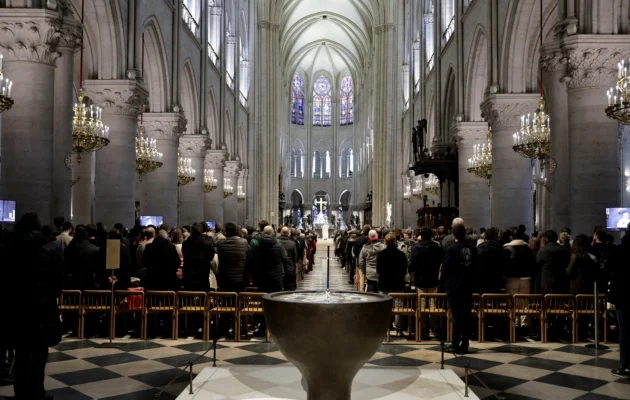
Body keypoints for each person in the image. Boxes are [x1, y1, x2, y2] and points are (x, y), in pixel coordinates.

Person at [1, 213, 62, 400]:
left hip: (16, 307)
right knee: (38, 354)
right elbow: (57, 282)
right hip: (41, 309)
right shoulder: (50, 248)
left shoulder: (7, 247)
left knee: (20, 353)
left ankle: (20, 392)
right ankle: (37, 392)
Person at [441, 224, 477, 354]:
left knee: (456, 316)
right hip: (468, 286)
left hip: (454, 286)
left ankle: (455, 344)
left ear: (454, 235)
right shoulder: (473, 249)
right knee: (466, 315)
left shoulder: (451, 249)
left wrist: (444, 283)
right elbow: (476, 267)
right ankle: (465, 343)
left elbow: (445, 268)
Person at [503, 231, 536, 328]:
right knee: (524, 302)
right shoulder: (528, 249)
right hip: (526, 278)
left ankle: (513, 323)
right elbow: (532, 264)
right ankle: (524, 323)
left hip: (511, 278)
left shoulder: (507, 248)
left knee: (512, 301)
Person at [609, 226, 630, 379]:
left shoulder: (619, 250)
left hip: (623, 295)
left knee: (624, 330)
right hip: (623, 294)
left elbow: (612, 272)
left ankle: (625, 364)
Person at [247, 226, 287, 293]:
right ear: (273, 233)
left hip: (260, 277)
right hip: (276, 277)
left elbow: (251, 260)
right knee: (275, 297)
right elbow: (285, 258)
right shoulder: (279, 245)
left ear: (263, 233)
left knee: (261, 298)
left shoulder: (256, 245)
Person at [182, 222, 216, 292]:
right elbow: (211, 257)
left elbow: (185, 255)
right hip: (203, 273)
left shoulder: (186, 243)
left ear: (191, 231)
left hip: (189, 274)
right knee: (204, 297)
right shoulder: (207, 242)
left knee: (189, 297)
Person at [216, 222, 249, 292]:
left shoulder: (220, 243)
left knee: (226, 300)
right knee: (239, 301)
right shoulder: (244, 242)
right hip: (240, 278)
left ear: (226, 233)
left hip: (224, 279)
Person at [63, 225, 98, 290]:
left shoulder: (68, 249)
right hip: (89, 283)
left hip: (72, 283)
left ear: (75, 233)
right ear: (86, 234)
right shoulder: (93, 249)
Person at [535, 230, 570, 295]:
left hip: (546, 280)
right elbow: (567, 263)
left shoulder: (542, 251)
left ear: (546, 239)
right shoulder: (563, 250)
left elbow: (538, 264)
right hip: (561, 280)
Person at [476, 228, 506, 294]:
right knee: (495, 300)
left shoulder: (479, 247)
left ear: (485, 236)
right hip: (496, 278)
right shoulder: (500, 247)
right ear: (495, 236)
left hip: (482, 278)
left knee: (483, 300)